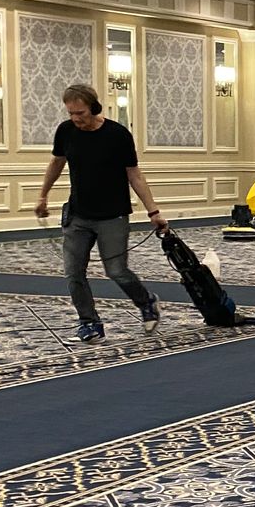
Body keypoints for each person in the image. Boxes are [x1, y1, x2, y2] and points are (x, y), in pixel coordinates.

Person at [34, 83, 167, 344]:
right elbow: (56, 163)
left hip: (113, 216)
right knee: (73, 273)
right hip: (78, 215)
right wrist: (43, 195)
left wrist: (154, 211)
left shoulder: (118, 135)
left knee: (116, 271)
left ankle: (147, 302)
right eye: (71, 113)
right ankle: (89, 323)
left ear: (94, 108)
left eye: (80, 113)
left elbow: (135, 175)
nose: (75, 119)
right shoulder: (66, 131)